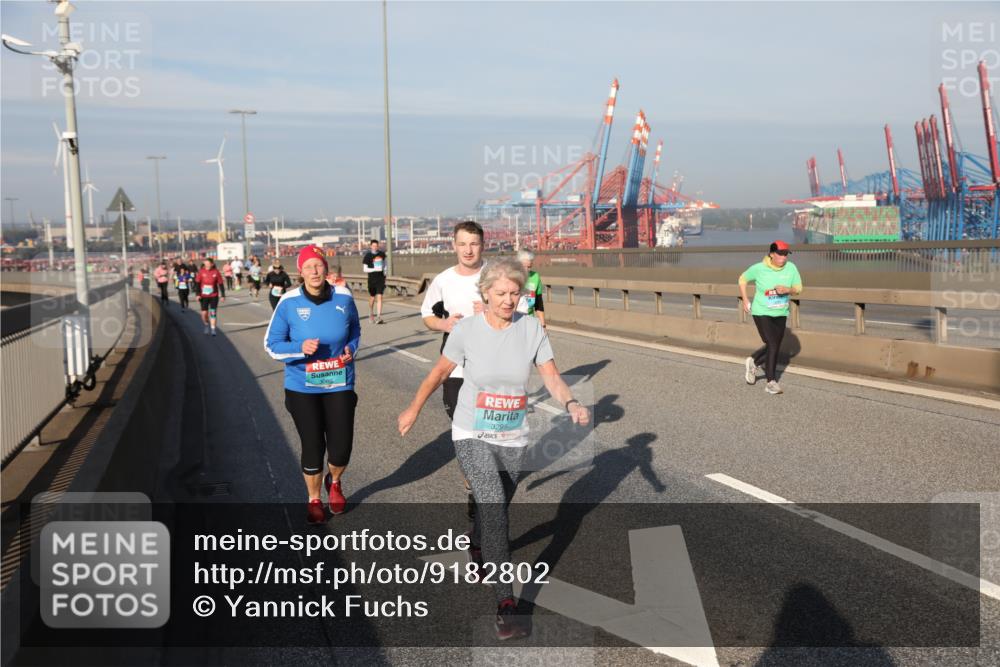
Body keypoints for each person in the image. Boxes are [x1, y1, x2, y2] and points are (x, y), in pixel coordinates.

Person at [399, 258, 589, 640]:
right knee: (494, 509)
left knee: (495, 507)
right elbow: (439, 373)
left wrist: (571, 403)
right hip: (471, 431)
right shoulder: (467, 330)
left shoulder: (531, 328)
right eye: (500, 293)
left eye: (514, 293)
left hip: (513, 435)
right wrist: (414, 408)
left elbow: (550, 376)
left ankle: (476, 540)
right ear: (484, 293)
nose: (508, 300)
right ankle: (506, 603)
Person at [265, 245, 360, 524]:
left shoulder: (344, 296)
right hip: (302, 386)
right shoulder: (288, 302)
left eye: (319, 265)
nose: (315, 271)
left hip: (339, 382)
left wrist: (351, 349)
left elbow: (355, 328)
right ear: (300, 272)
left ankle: (336, 481)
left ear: (326, 269)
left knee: (341, 447)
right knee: (313, 445)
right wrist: (299, 348)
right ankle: (314, 499)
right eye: (309, 267)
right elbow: (271, 345)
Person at [420, 221, 486, 519]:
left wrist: (495, 312)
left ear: (482, 244)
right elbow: (427, 315)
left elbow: (520, 309)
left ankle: (487, 486)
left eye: (473, 243)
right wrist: (444, 324)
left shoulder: (496, 274)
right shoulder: (444, 280)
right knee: (467, 433)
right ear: (454, 246)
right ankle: (474, 487)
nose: (468, 250)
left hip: (494, 368)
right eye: (463, 244)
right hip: (456, 368)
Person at [739, 240, 803, 394]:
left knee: (774, 345)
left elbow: (799, 289)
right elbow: (742, 279)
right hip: (761, 312)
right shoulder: (759, 268)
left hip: (781, 312)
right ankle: (771, 382)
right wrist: (745, 299)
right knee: (772, 343)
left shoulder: (791, 268)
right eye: (780, 254)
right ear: (772, 254)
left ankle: (753, 362)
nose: (783, 257)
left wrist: (787, 289)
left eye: (786, 254)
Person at [196, 257, 226, 336]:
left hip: (214, 296)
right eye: (205, 264)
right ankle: (206, 325)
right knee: (204, 314)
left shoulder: (216, 272)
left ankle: (213, 329)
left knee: (213, 312)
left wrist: (223, 295)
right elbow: (197, 284)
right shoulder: (201, 272)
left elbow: (220, 284)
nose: (207, 265)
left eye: (208, 264)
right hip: (203, 296)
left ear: (212, 264)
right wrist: (197, 294)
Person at [515, 250, 546, 328]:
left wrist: (543, 326)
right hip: (513, 321)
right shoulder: (512, 276)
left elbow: (539, 305)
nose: (526, 270)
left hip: (529, 321)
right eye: (523, 266)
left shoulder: (535, 277)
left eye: (529, 267)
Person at [362, 239, 387, 324]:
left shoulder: (382, 254)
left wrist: (385, 273)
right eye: (373, 246)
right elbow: (365, 269)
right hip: (372, 279)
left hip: (380, 278)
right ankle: (371, 313)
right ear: (371, 246)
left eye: (376, 246)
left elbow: (385, 265)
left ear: (378, 246)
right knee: (372, 297)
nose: (375, 247)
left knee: (379, 297)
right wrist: (374, 269)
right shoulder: (367, 256)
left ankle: (379, 316)